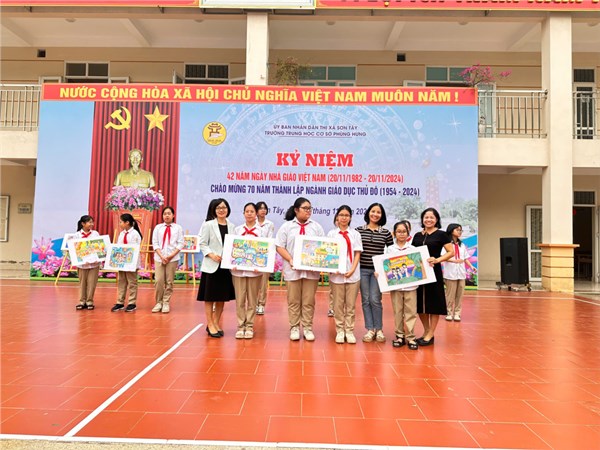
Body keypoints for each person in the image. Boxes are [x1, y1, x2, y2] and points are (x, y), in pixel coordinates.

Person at [275, 197, 324, 341]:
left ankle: (308, 327)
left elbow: (323, 246)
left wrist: (317, 262)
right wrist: (290, 259)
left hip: (311, 272)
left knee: (309, 301)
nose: (308, 211)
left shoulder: (316, 227)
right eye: (305, 208)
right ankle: (294, 327)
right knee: (293, 300)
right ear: (296, 210)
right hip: (292, 270)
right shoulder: (287, 227)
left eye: (310, 208)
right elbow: (279, 246)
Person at [411, 207, 455, 346]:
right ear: (422, 219)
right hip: (418, 273)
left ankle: (431, 333)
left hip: (433, 271)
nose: (428, 219)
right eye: (426, 217)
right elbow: (411, 253)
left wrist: (437, 260)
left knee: (433, 303)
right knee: (420, 304)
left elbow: (451, 252)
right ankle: (426, 331)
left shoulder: (442, 235)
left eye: (431, 217)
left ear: (436, 220)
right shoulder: (417, 235)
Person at [197, 198, 236, 338]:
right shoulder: (208, 225)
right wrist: (211, 255)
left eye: (224, 207)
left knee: (221, 297)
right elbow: (202, 243)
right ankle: (210, 323)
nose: (221, 210)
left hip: (225, 267)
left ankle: (215, 323)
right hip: (211, 265)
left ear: (228, 209)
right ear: (214, 210)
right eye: (218, 208)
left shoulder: (232, 226)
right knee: (210, 297)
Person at [356, 203, 393, 343]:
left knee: (375, 299)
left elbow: (392, 251)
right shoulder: (359, 231)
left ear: (382, 215)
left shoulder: (386, 233)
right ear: (368, 213)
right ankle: (370, 329)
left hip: (378, 272)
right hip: (362, 270)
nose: (375, 214)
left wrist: (385, 270)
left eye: (378, 212)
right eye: (373, 211)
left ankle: (379, 329)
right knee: (365, 300)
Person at [327, 205, 362, 344]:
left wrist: (352, 269)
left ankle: (350, 330)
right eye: (341, 215)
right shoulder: (331, 234)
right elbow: (328, 253)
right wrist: (332, 267)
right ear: (337, 217)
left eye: (347, 215)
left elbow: (357, 253)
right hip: (337, 276)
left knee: (351, 305)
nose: (344, 218)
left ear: (350, 217)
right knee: (338, 305)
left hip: (353, 275)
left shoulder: (355, 234)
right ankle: (340, 330)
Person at [232, 202, 267, 339]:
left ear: (256, 214)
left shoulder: (262, 232)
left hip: (254, 271)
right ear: (243, 213)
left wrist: (261, 264)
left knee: (252, 300)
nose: (249, 214)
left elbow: (265, 250)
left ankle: (250, 326)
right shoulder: (237, 230)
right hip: (238, 271)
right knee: (240, 299)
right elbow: (232, 248)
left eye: (252, 211)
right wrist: (232, 261)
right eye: (247, 211)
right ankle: (241, 326)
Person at [384, 221, 419, 350]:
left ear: (408, 233)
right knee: (398, 311)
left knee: (411, 312)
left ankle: (410, 337)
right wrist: (380, 273)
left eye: (404, 231)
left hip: (411, 287)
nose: (401, 234)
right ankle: (399, 336)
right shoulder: (390, 249)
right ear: (394, 233)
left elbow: (417, 266)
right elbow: (385, 266)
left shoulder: (413, 249)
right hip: (396, 287)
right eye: (399, 231)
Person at [151, 206, 184, 314]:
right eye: (165, 214)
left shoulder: (178, 228)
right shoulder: (158, 228)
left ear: (173, 215)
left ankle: (166, 302)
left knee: (169, 281)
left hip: (172, 258)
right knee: (158, 280)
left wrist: (170, 256)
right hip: (159, 258)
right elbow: (155, 243)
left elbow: (180, 243)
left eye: (169, 213)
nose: (167, 216)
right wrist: (161, 256)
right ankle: (158, 302)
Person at [442, 223, 476, 322]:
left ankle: (457, 313)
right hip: (450, 273)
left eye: (461, 230)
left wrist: (471, 266)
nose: (459, 232)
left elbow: (465, 258)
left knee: (459, 295)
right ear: (451, 230)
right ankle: (449, 313)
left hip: (461, 274)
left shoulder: (462, 245)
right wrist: (454, 261)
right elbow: (443, 257)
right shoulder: (446, 244)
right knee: (450, 295)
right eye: (457, 230)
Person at [111, 213, 142, 313]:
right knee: (121, 282)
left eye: (121, 222)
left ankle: (132, 303)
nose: (120, 224)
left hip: (131, 262)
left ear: (127, 222)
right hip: (121, 262)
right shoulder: (121, 234)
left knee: (132, 282)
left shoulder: (135, 234)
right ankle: (120, 302)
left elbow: (133, 249)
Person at [74, 215, 100, 311]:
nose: (91, 224)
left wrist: (99, 257)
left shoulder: (95, 234)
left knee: (92, 283)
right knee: (82, 283)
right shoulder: (77, 235)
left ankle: (89, 301)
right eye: (89, 222)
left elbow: (100, 247)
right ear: (83, 224)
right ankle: (82, 301)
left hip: (94, 264)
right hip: (82, 264)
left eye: (92, 222)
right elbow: (75, 249)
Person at [255, 201, 275, 315]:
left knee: (263, 283)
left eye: (265, 208)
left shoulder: (270, 224)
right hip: (253, 256)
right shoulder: (252, 222)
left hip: (265, 256)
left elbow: (270, 239)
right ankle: (253, 303)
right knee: (253, 283)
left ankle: (261, 304)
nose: (263, 210)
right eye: (260, 208)